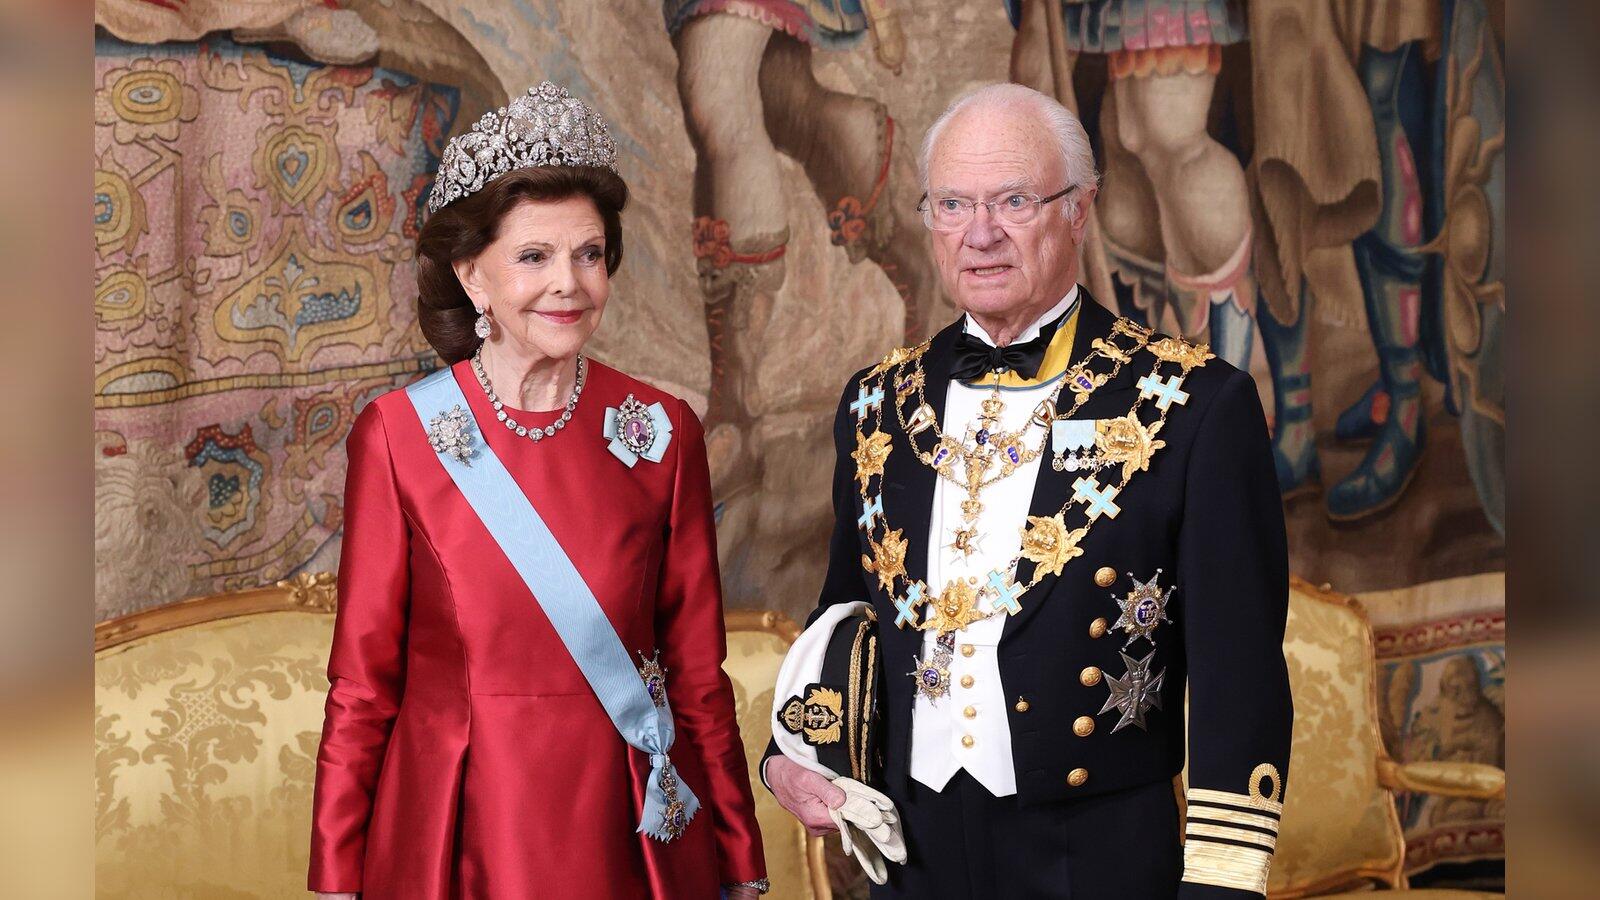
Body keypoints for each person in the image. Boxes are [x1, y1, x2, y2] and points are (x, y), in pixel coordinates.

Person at [763, 82, 1293, 898]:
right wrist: (795, 753)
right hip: (914, 861)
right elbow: (847, 610)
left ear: (1079, 209)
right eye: (952, 204)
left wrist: (1222, 883)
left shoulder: (1192, 404)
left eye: (1014, 201)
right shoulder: (876, 404)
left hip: (1103, 862)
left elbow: (1240, 676)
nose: (980, 234)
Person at [308, 82, 767, 899]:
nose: (570, 283)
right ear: (471, 276)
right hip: (462, 826)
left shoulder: (663, 433)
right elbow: (363, 687)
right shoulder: (399, 437)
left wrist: (739, 858)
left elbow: (699, 677)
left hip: (626, 830)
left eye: (589, 254)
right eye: (534, 257)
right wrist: (337, 877)